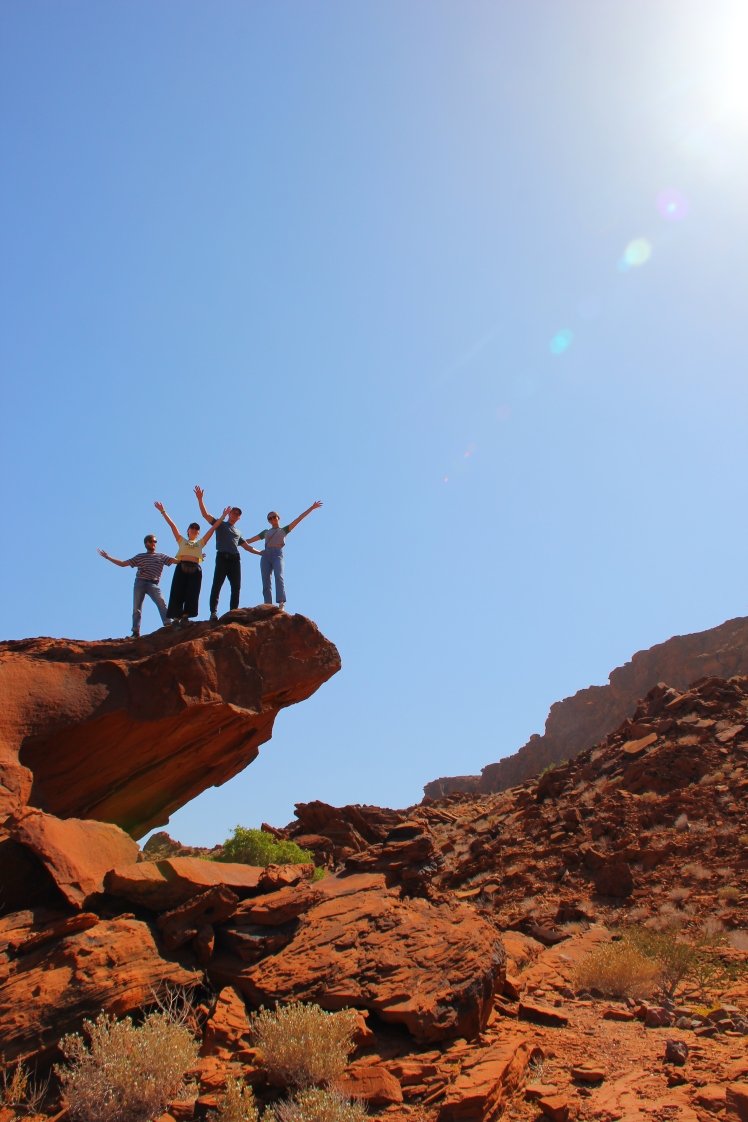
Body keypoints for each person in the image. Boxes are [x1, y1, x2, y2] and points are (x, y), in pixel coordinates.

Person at [155, 500, 230, 626]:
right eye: (192, 528)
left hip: (195, 569)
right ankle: (176, 619)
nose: (195, 530)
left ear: (199, 532)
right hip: (181, 567)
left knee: (192, 593)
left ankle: (185, 617)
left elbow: (213, 528)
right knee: (177, 592)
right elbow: (172, 525)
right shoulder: (182, 541)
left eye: (197, 529)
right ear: (188, 530)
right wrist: (163, 511)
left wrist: (223, 516)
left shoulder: (200, 543)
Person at [193, 486, 263, 621]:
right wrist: (200, 499)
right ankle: (213, 612)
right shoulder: (220, 524)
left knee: (236, 587)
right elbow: (205, 515)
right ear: (229, 513)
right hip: (222, 558)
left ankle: (233, 613)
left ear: (239, 518)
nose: (235, 515)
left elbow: (246, 547)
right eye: (233, 513)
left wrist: (261, 553)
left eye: (237, 514)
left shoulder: (238, 532)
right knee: (217, 584)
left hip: (235, 559)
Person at [244, 501, 323, 609]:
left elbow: (299, 519)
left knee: (279, 576)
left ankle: (281, 603)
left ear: (278, 518)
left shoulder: (284, 530)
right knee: (266, 581)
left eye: (273, 517)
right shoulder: (266, 532)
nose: (272, 519)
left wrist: (312, 508)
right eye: (269, 518)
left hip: (277, 553)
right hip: (266, 554)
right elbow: (249, 540)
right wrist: (236, 541)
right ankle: (268, 605)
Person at [98, 534, 176, 637]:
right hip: (140, 582)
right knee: (137, 608)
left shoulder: (161, 556)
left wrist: (195, 557)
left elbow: (176, 561)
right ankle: (135, 631)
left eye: (155, 541)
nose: (154, 543)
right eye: (151, 541)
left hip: (153, 584)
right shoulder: (140, 557)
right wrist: (108, 557)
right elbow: (123, 563)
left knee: (161, 602)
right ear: (146, 543)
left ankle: (168, 624)